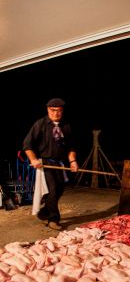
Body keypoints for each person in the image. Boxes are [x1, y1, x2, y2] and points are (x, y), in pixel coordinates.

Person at [23, 98, 78, 230]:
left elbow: (71, 147)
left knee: (59, 190)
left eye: (59, 111)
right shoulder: (40, 124)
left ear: (62, 111)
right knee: (52, 191)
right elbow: (27, 145)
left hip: (60, 163)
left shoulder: (66, 126)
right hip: (45, 164)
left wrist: (72, 161)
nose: (56, 113)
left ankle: (43, 213)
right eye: (53, 111)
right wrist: (33, 160)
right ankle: (53, 219)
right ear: (48, 110)